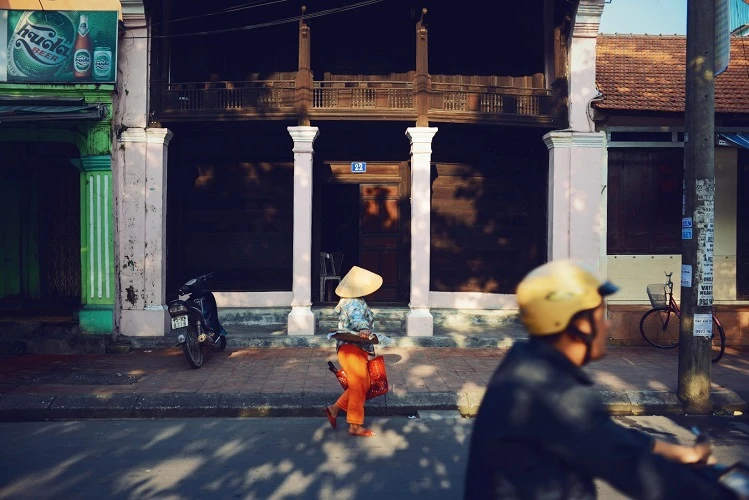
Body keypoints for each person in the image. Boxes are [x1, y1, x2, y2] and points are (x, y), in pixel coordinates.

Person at [464, 259, 735, 500]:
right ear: (580, 325)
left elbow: (607, 437)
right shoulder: (558, 395)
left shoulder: (524, 363)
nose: (607, 325)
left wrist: (682, 454)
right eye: (600, 315)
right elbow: (632, 468)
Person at [323, 266, 388, 437]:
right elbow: (357, 317)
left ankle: (334, 409)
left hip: (355, 349)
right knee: (359, 384)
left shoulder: (352, 301)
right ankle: (354, 425)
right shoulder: (354, 303)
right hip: (352, 349)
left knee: (362, 384)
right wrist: (364, 328)